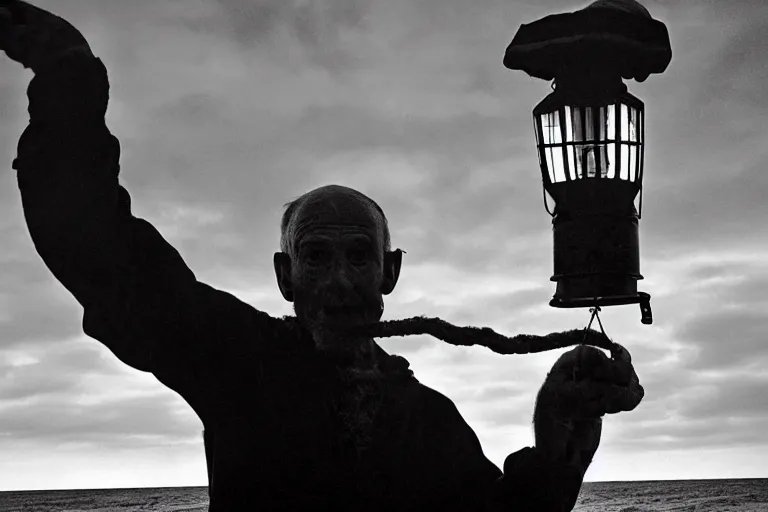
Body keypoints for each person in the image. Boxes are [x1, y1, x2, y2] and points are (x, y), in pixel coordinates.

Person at [0, 2, 641, 510]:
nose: (340, 281)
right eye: (316, 257)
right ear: (285, 276)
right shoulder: (234, 361)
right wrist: (69, 77)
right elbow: (98, 248)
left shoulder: (429, 422)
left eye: (361, 257)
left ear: (390, 272)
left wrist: (559, 425)